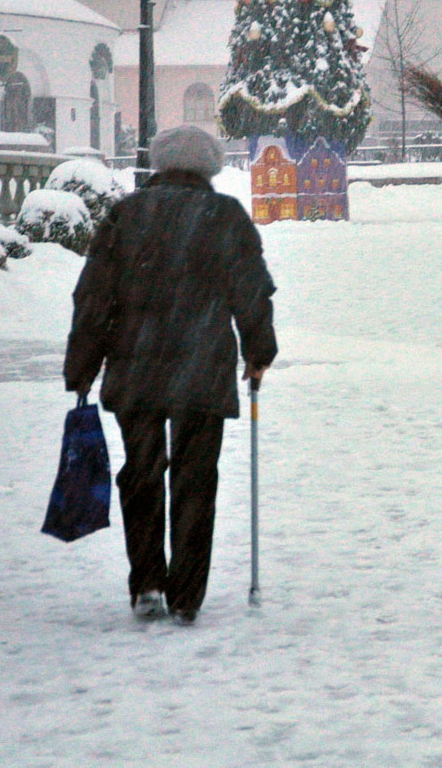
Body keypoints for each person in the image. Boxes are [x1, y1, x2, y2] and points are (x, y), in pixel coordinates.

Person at [64, 125, 277, 625]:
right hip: (202, 368)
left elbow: (93, 297)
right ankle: (186, 593)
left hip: (136, 368)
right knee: (195, 480)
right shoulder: (224, 216)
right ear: (209, 167)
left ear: (159, 165)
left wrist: (81, 366)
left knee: (141, 477)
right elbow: (251, 292)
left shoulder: (126, 214)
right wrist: (259, 351)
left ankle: (148, 585)